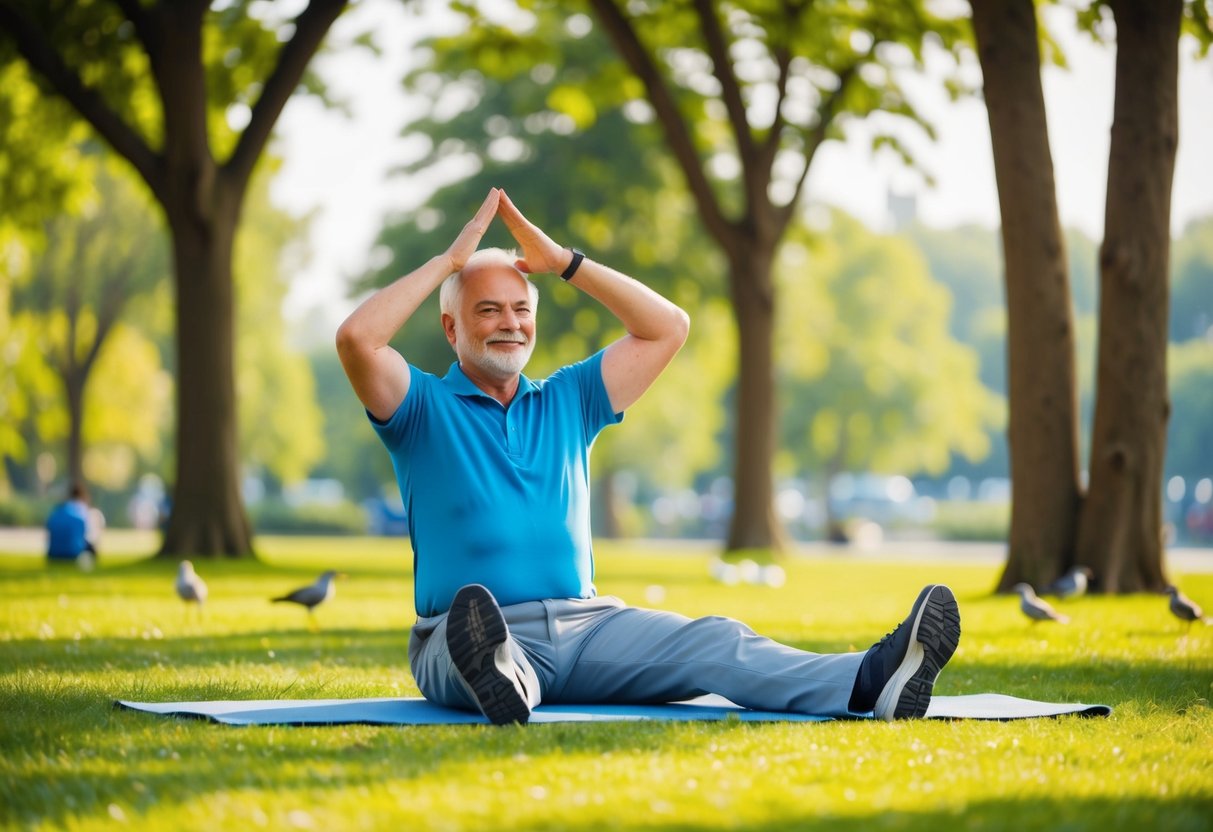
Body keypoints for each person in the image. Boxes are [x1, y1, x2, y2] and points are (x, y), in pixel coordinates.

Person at [336, 188, 961, 725]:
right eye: (488, 310)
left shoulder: (569, 399)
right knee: (474, 643)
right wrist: (450, 261)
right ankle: (503, 677)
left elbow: (668, 327)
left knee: (715, 641)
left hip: (588, 626)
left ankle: (868, 682)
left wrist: (566, 263)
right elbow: (357, 338)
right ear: (453, 329)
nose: (510, 323)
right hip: (461, 628)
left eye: (521, 309)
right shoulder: (419, 407)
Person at [46, 481, 99, 563]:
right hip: (73, 554)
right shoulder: (82, 511)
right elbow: (88, 535)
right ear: (83, 496)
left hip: (53, 554)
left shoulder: (58, 510)